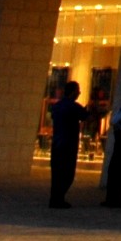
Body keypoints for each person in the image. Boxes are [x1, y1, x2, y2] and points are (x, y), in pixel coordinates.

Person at [48, 80, 88, 208]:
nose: (79, 93)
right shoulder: (73, 106)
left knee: (56, 173)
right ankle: (58, 199)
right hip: (68, 144)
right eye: (78, 91)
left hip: (57, 143)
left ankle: (55, 198)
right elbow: (85, 116)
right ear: (73, 92)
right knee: (67, 173)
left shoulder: (58, 106)